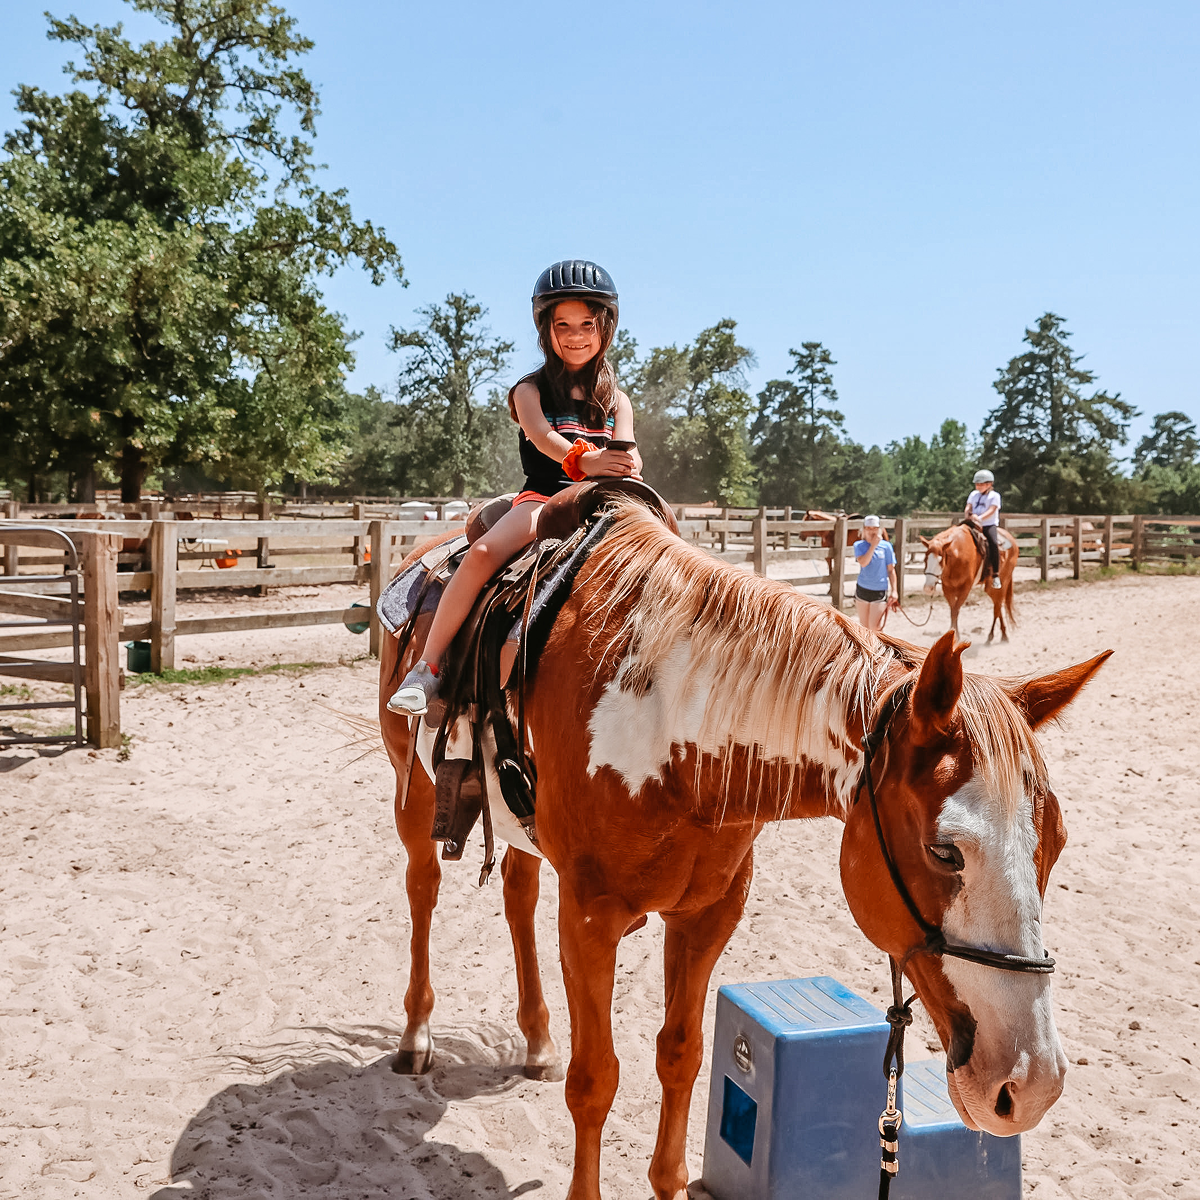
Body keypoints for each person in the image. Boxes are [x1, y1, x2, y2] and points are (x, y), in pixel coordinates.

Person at [387, 260, 641, 715]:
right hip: (544, 499)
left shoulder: (616, 398)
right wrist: (588, 460)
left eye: (586, 324)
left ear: (605, 326)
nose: (575, 334)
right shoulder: (530, 390)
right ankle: (428, 668)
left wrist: (625, 461)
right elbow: (544, 437)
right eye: (562, 324)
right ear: (545, 330)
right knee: (483, 554)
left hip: (603, 505)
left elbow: (629, 449)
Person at [853, 515, 898, 631]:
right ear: (864, 529)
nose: (871, 531)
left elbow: (891, 570)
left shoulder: (887, 547)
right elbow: (863, 562)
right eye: (868, 528)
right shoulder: (859, 545)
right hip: (862, 589)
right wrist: (873, 546)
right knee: (863, 627)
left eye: (874, 528)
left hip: (879, 590)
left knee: (875, 627)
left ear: (879, 529)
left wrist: (894, 591)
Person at [964, 469, 1002, 588]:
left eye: (981, 484)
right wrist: (967, 516)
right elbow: (968, 507)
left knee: (993, 543)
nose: (978, 486)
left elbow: (991, 510)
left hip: (988, 524)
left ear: (989, 484)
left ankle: (996, 574)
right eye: (977, 484)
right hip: (973, 523)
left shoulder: (994, 496)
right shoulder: (973, 494)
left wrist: (979, 518)